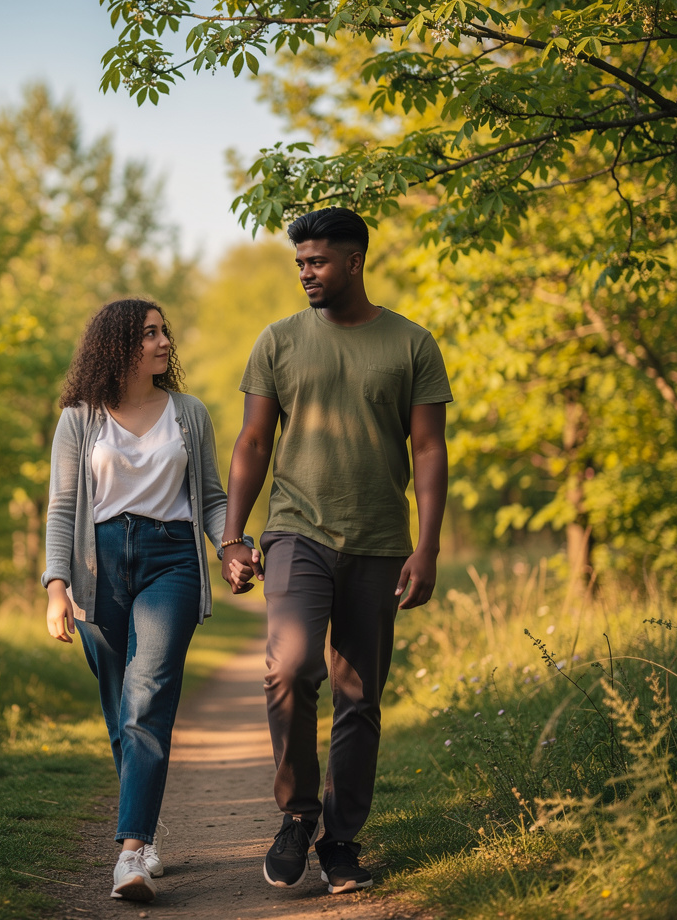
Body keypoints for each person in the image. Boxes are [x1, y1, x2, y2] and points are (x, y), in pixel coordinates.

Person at [220, 207, 452, 895]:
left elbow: (430, 448)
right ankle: (297, 813)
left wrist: (428, 547)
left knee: (359, 696)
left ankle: (341, 839)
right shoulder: (279, 341)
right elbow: (253, 442)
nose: (305, 274)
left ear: (354, 261)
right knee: (290, 668)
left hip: (381, 540)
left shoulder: (412, 343)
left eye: (316, 261)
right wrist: (234, 535)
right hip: (297, 529)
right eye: (299, 263)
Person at [43, 298, 252, 902]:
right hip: (96, 566)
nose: (165, 342)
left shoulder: (188, 413)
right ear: (118, 346)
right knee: (119, 706)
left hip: (171, 561)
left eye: (164, 332)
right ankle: (146, 829)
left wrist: (230, 546)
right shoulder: (79, 418)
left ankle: (130, 854)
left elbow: (211, 499)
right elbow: (62, 508)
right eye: (151, 334)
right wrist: (57, 585)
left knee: (148, 692)